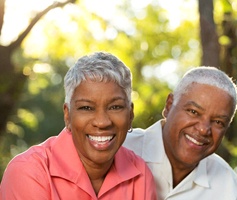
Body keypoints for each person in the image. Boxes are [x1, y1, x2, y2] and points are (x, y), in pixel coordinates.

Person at [0, 52, 156, 199]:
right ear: (67, 116)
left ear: (130, 115)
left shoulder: (140, 174)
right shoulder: (29, 172)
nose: (102, 122)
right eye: (86, 108)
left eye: (115, 107)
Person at [123, 66, 237, 199]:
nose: (203, 129)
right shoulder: (118, 151)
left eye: (218, 122)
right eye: (193, 112)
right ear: (169, 106)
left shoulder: (226, 184)